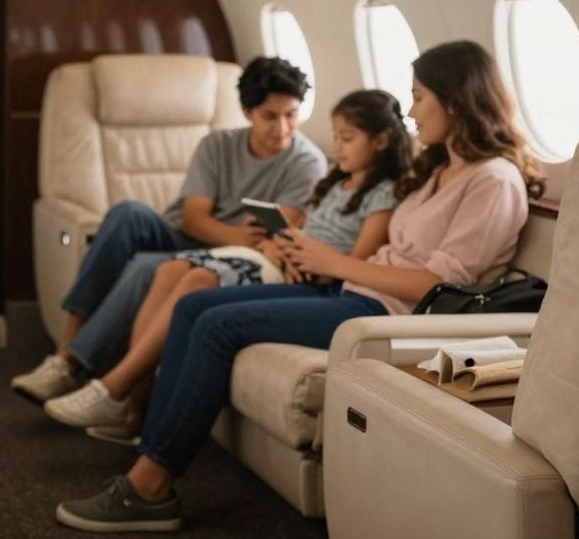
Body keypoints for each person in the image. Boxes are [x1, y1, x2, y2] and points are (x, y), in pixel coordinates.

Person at [54, 39, 545, 533]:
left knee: (218, 327)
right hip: (355, 292)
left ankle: (149, 488)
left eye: (419, 98)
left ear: (455, 102)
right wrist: (315, 262)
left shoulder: (493, 181)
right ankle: (148, 455)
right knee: (193, 306)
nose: (412, 112)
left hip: (389, 317)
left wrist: (337, 264)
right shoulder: (439, 170)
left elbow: (440, 284)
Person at [43, 90, 412, 433]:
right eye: (335, 137)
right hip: (285, 258)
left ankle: (113, 389)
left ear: (380, 142)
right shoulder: (332, 182)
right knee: (169, 268)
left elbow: (354, 262)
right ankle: (130, 405)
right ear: (248, 112)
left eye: (347, 138)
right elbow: (296, 228)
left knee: (195, 281)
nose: (336, 147)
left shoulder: (380, 193)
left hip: (313, 273)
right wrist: (276, 246)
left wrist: (301, 257)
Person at [11, 57, 327, 402]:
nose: (282, 128)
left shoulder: (307, 163)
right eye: (270, 117)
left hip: (229, 255)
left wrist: (240, 242)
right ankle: (63, 352)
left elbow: (278, 233)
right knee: (127, 214)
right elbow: (193, 219)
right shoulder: (217, 145)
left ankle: (74, 366)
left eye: (291, 115)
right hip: (193, 235)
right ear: (247, 112)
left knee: (146, 266)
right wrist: (237, 235)